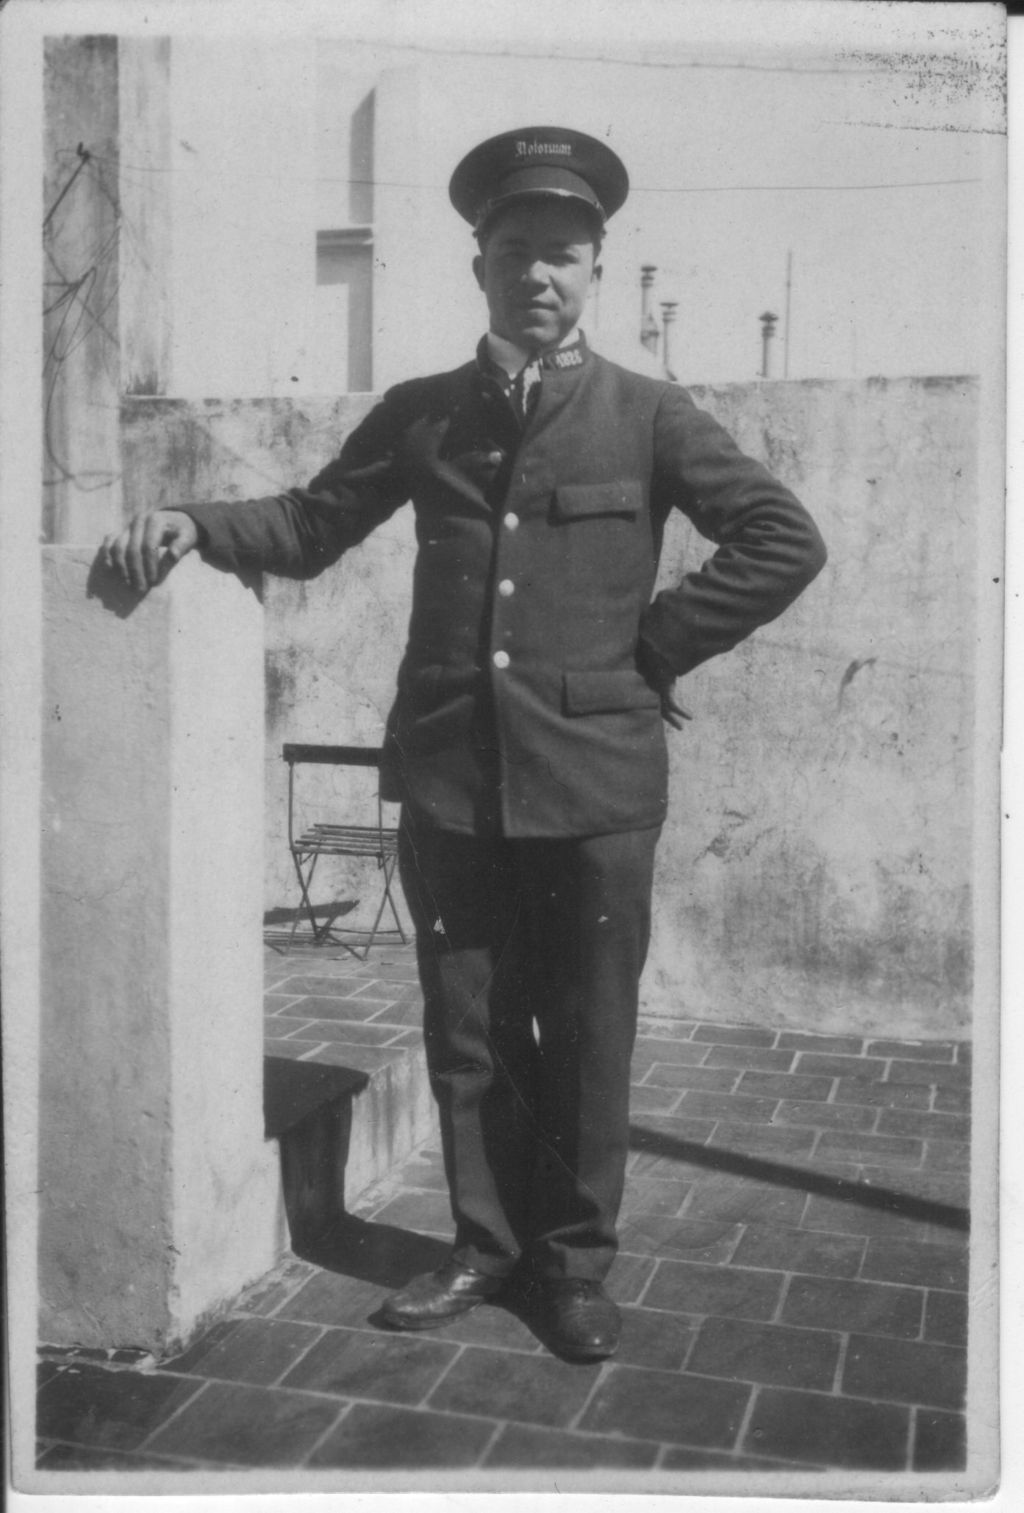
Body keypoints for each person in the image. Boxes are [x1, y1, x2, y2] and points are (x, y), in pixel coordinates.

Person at [104, 126, 826, 1362]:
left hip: (597, 784)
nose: (538, 273)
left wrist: (654, 647)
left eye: (563, 254)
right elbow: (312, 522)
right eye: (515, 250)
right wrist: (190, 518)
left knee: (587, 1034)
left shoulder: (649, 415)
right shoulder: (424, 414)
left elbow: (782, 538)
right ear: (477, 262)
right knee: (470, 1029)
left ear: (596, 268)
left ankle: (574, 1266)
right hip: (453, 777)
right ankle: (485, 1246)